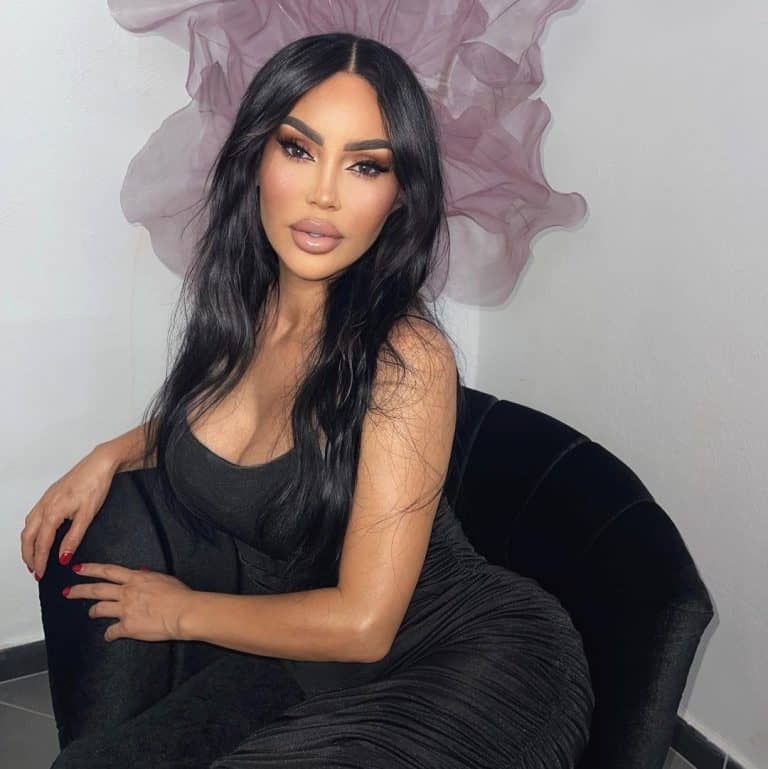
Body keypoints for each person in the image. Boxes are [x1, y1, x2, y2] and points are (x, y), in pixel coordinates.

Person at [22, 32, 594, 769]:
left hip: (471, 661)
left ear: (399, 196)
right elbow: (212, 422)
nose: (325, 193)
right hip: (303, 659)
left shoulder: (406, 357)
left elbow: (364, 624)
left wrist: (180, 612)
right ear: (256, 157)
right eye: (298, 149)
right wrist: (110, 453)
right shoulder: (244, 307)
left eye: (365, 165)